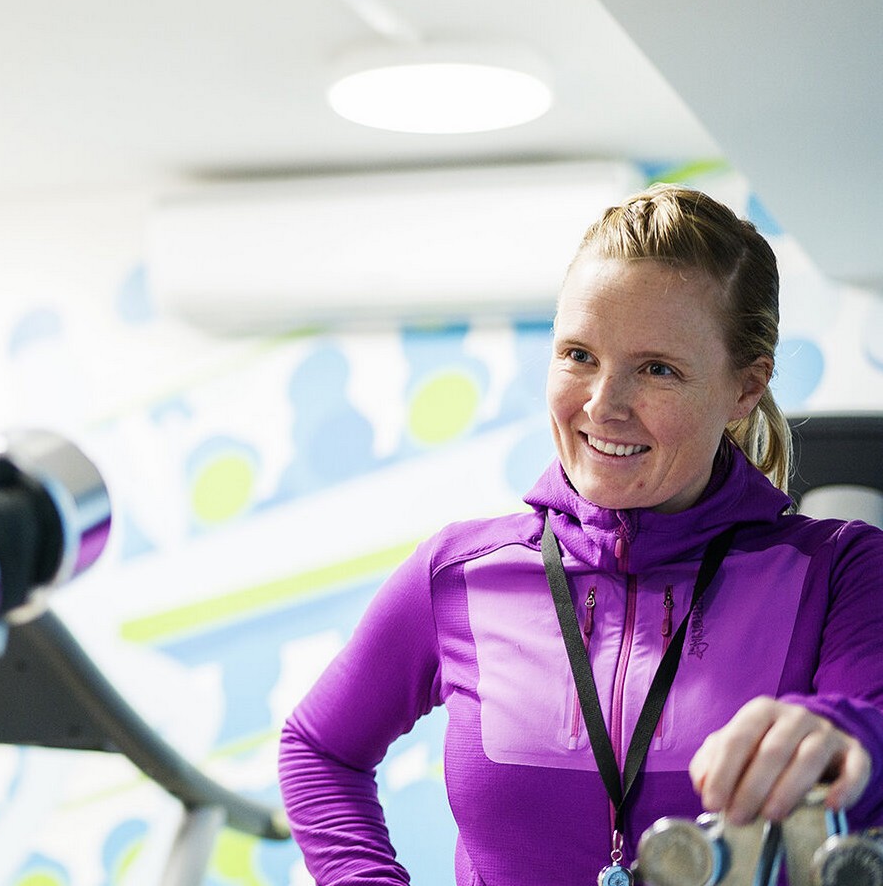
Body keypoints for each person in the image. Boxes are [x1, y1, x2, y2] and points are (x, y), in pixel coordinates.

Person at [276, 184, 883, 884]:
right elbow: (319, 748)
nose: (602, 405)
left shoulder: (839, 570)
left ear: (744, 389)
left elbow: (873, 728)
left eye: (657, 369)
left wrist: (843, 737)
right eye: (578, 355)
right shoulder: (457, 572)